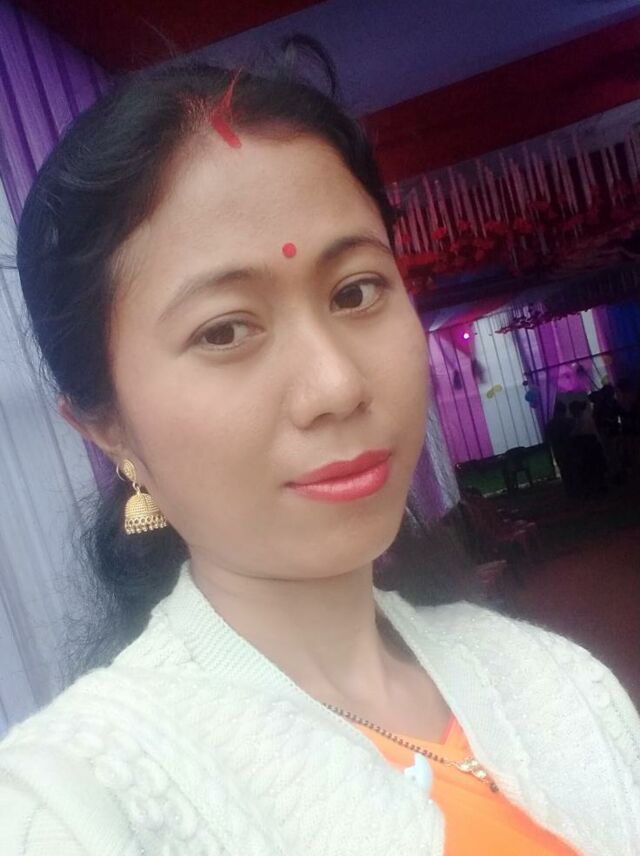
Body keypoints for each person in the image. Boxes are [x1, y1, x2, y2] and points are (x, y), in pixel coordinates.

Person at [0, 51, 638, 856]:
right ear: (106, 427)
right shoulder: (73, 809)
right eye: (224, 330)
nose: (337, 385)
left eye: (356, 291)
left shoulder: (552, 679)